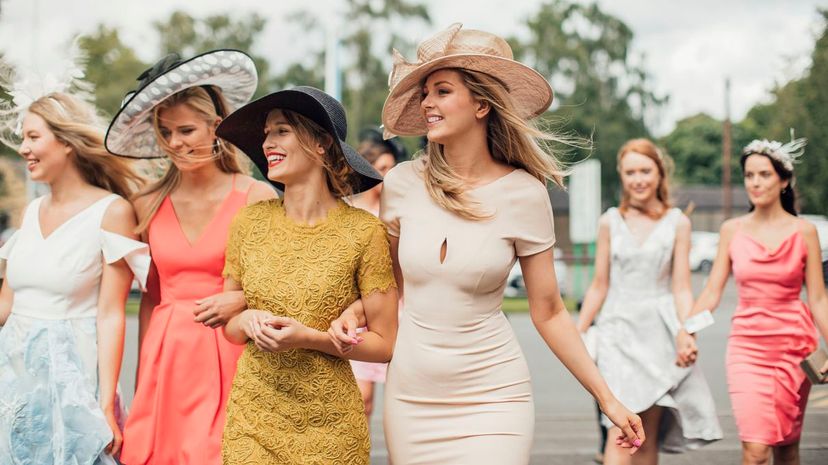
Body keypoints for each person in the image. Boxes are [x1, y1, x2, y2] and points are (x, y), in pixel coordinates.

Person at [330, 23, 645, 464]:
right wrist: (355, 310)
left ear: (481, 104)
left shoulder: (525, 194)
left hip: (494, 396)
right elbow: (388, 286)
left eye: (442, 91)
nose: (427, 103)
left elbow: (550, 311)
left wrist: (608, 399)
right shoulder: (401, 184)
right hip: (412, 399)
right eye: (424, 93)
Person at [105, 50, 276, 465]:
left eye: (185, 130)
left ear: (216, 127)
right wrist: (147, 370)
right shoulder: (144, 205)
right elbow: (150, 296)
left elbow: (277, 286)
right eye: (165, 132)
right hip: (167, 359)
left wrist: (239, 299)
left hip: (233, 351)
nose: (175, 142)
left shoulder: (256, 196)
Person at [215, 86, 399, 464]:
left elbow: (383, 346)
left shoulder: (363, 232)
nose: (267, 142)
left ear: (321, 144)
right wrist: (247, 319)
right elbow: (230, 329)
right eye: (266, 133)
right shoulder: (248, 223)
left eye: (281, 130)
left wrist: (310, 338)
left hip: (330, 426)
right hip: (253, 419)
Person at [0, 91, 148, 464]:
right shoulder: (31, 210)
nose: (23, 149)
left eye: (34, 137)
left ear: (66, 142)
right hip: (12, 378)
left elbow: (111, 314)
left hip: (71, 381)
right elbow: (8, 301)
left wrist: (105, 403)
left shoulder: (112, 212)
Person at [677, 137, 828, 465]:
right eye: (749, 175)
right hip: (748, 350)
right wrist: (688, 330)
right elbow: (712, 291)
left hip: (795, 348)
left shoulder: (805, 232)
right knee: (756, 450)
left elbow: (817, 297)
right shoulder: (731, 230)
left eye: (764, 174)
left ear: (784, 180)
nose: (755, 183)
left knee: (787, 446)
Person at [576, 138, 721, 464]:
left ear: (659, 174)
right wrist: (579, 331)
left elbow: (681, 289)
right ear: (622, 177)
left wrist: (687, 333)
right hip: (616, 333)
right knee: (618, 430)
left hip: (658, 335)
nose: (638, 179)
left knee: (645, 438)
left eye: (645, 170)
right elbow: (599, 285)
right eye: (630, 172)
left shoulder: (677, 223)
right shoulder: (609, 221)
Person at [349, 127, 407, 421]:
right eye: (382, 168)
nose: (388, 176)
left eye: (392, 169)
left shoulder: (399, 211)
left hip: (398, 307)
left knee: (401, 398)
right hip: (361, 311)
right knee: (363, 398)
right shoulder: (352, 211)